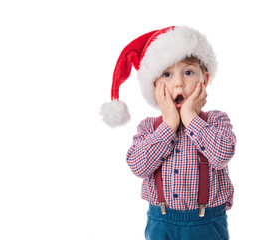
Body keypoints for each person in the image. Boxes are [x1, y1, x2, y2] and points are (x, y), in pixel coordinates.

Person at [100, 26, 236, 240]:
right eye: (167, 74)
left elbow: (221, 155)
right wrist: (169, 124)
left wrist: (190, 117)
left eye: (188, 72)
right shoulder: (148, 128)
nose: (178, 82)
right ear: (154, 85)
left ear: (205, 80)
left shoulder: (217, 120)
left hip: (207, 223)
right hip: (161, 223)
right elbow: (138, 166)